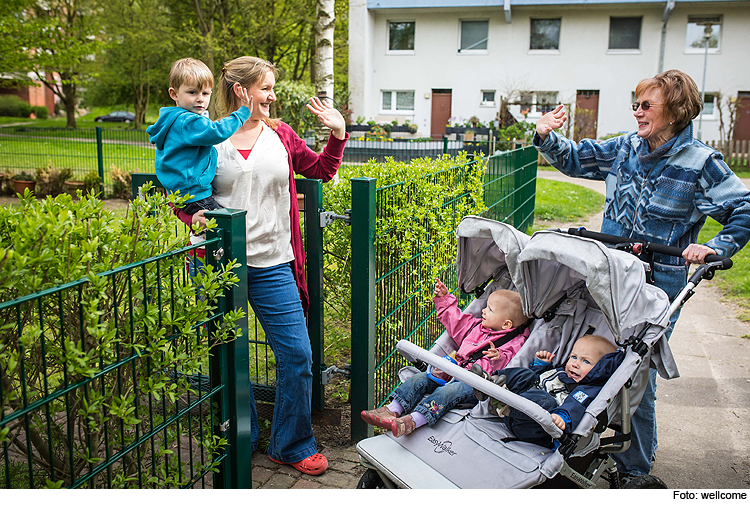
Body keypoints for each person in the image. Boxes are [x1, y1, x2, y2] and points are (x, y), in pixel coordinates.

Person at [533, 69, 750, 479]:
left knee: (633, 373)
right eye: (635, 104)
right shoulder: (625, 148)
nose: (637, 112)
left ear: (675, 111)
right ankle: (581, 435)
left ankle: (634, 468)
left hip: (656, 286)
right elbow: (578, 158)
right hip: (607, 275)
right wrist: (547, 136)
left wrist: (716, 248)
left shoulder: (702, 163)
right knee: (591, 354)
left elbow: (744, 208)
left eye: (646, 105)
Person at [172, 56, 348, 476]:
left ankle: (289, 443)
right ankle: (242, 435)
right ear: (242, 91)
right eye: (266, 88)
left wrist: (338, 133)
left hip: (273, 263)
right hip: (217, 266)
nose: (272, 96)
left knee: (297, 355)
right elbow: (181, 191)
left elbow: (322, 170)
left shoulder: (281, 135)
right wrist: (189, 216)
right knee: (228, 356)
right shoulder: (207, 137)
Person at [360, 278, 530, 437]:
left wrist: (498, 358)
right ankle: (392, 410)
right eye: (485, 307)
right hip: (452, 370)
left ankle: (414, 420)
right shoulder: (475, 326)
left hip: (474, 385)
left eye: (490, 310)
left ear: (506, 324)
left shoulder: (514, 342)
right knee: (421, 378)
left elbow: (512, 364)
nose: (483, 311)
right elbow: (455, 321)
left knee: (448, 391)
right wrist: (444, 299)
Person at [147, 57, 253, 215]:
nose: (200, 99)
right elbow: (216, 132)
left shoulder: (172, 119)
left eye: (205, 93)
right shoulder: (187, 121)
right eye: (192, 92)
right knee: (226, 225)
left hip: (181, 193)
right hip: (195, 194)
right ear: (174, 94)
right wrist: (241, 114)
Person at [478, 335, 622, 448]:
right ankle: (492, 383)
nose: (575, 364)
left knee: (545, 400)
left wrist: (562, 417)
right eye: (574, 357)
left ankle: (503, 403)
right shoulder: (562, 372)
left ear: (600, 370)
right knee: (526, 375)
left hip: (534, 429)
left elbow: (575, 406)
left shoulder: (585, 391)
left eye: (586, 361)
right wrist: (541, 366)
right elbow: (537, 381)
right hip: (518, 411)